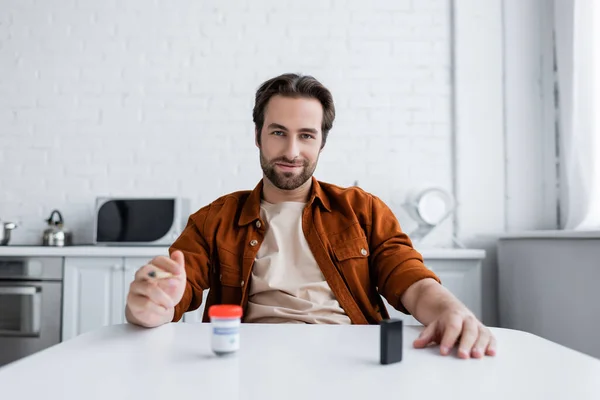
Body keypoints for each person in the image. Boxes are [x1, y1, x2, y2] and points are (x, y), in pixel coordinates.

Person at [125, 73, 496, 359]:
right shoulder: (215, 218)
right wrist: (153, 304)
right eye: (278, 133)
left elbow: (409, 278)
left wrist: (449, 309)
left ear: (322, 141)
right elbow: (175, 285)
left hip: (349, 359)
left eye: (306, 135)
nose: (291, 151)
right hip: (247, 359)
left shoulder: (362, 210)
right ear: (258, 136)